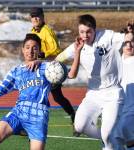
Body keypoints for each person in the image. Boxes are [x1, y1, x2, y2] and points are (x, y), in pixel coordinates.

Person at [0, 33, 81, 150]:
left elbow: (71, 74)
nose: (30, 51)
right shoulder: (16, 71)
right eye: (28, 47)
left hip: (38, 117)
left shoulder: (47, 68)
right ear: (23, 50)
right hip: (18, 112)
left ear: (39, 50)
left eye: (34, 48)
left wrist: (77, 53)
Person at [55, 14, 132, 150]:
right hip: (93, 94)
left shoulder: (107, 36)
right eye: (82, 32)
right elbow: (59, 58)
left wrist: (130, 32)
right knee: (80, 126)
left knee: (107, 134)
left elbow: (127, 38)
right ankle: (112, 139)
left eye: (88, 32)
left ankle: (109, 140)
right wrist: (41, 63)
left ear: (95, 30)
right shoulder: (77, 46)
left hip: (113, 93)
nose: (85, 35)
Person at [29, 7, 76, 130]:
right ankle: (31, 124)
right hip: (39, 67)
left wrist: (43, 54)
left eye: (37, 16)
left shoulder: (47, 30)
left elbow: (56, 49)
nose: (35, 18)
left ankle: (73, 115)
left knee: (57, 97)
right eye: (33, 16)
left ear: (43, 17)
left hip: (50, 68)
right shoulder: (32, 31)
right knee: (36, 94)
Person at [114, 33, 134, 150]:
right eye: (126, 42)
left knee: (125, 128)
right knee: (112, 140)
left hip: (131, 112)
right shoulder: (117, 62)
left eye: (132, 41)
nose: (129, 45)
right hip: (118, 110)